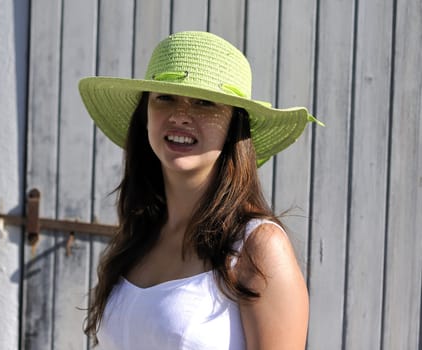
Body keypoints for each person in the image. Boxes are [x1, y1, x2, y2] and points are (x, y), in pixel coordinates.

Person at [77, 31, 323, 349]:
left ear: (234, 125)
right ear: (145, 116)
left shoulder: (257, 246)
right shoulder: (141, 232)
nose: (181, 115)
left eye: (205, 103)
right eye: (165, 97)